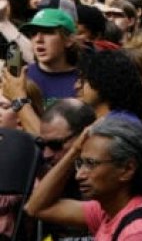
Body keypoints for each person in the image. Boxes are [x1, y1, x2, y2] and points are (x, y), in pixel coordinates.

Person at [25, 117, 142, 240]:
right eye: (81, 163)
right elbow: (36, 208)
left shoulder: (138, 233)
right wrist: (74, 150)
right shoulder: (107, 211)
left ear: (127, 170)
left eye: (91, 164)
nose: (79, 175)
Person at [34, 99, 98, 241]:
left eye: (55, 145)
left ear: (84, 136)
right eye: (42, 144)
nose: (46, 154)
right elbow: (33, 208)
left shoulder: (108, 174)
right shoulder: (49, 174)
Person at [23, 8, 81, 108]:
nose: (38, 39)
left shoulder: (83, 81)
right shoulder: (21, 77)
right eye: (33, 33)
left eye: (47, 32)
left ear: (69, 40)